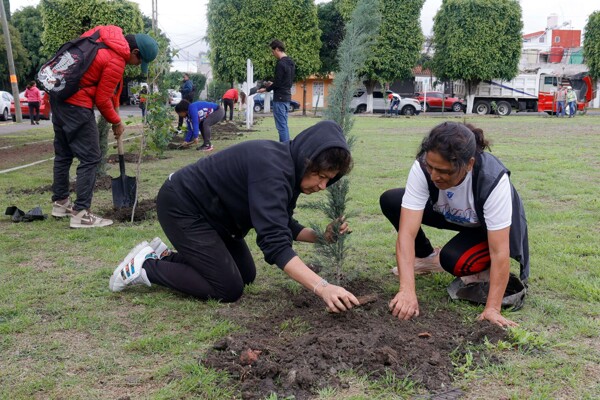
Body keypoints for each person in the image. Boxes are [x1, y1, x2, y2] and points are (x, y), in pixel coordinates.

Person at [109, 120, 360, 313]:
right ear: (308, 159)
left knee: (245, 275)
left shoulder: (290, 170)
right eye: (321, 176)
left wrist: (321, 237)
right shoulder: (273, 170)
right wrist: (323, 287)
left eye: (330, 179)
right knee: (227, 288)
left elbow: (282, 222)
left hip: (218, 218)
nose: (323, 186)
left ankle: (164, 257)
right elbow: (275, 244)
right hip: (184, 207)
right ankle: (144, 267)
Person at [380, 122, 530, 328]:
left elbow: (500, 252)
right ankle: (426, 257)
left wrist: (492, 309)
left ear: (468, 164)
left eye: (443, 171)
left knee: (453, 260)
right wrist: (407, 290)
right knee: (392, 200)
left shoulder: (491, 180)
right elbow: (406, 234)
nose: (434, 176)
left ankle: (476, 267)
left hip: (484, 228)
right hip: (451, 213)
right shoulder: (424, 167)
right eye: (430, 167)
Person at [49, 25, 158, 228]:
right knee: (91, 158)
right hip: (77, 105)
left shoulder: (103, 34)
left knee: (63, 154)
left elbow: (100, 82)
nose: (136, 65)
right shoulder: (117, 59)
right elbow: (101, 98)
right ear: (134, 52)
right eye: (139, 61)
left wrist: (115, 112)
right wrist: (116, 121)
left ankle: (60, 203)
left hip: (59, 97)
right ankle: (81, 214)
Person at [258, 39, 296, 142]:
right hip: (287, 97)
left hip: (279, 98)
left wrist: (266, 89)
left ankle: (285, 150)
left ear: (278, 49)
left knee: (281, 127)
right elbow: (285, 81)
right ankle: (286, 147)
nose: (272, 53)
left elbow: (278, 83)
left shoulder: (280, 63)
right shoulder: (291, 62)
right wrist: (272, 83)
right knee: (284, 125)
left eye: (273, 51)